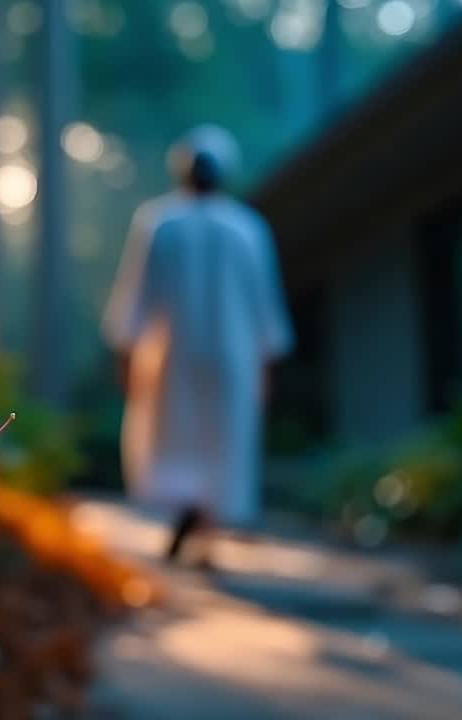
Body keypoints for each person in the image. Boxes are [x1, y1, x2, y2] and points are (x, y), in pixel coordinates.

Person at [102, 125, 294, 566]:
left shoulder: (161, 221)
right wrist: (264, 365)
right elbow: (266, 311)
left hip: (176, 358)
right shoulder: (246, 227)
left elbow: (135, 300)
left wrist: (127, 352)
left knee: (183, 439)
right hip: (227, 357)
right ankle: (202, 524)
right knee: (213, 441)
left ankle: (195, 522)